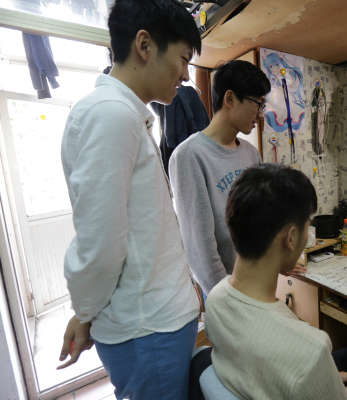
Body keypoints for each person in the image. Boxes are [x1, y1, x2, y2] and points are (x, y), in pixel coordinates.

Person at [58, 1, 202, 399]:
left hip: (154, 325)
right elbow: (100, 242)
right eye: (183, 59)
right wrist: (84, 311)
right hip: (149, 330)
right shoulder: (110, 115)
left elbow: (139, 228)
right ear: (144, 45)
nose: (186, 75)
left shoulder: (125, 115)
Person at [206, 164, 347, 400]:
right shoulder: (311, 348)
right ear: (291, 238)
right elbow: (306, 364)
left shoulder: (215, 299)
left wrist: (324, 379)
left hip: (257, 381)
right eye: (308, 226)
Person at [170, 60, 307, 297]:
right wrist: (228, 301)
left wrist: (277, 260)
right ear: (230, 98)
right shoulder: (189, 155)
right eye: (258, 104)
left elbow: (262, 221)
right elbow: (199, 248)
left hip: (256, 282)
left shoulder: (251, 153)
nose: (261, 115)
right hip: (223, 291)